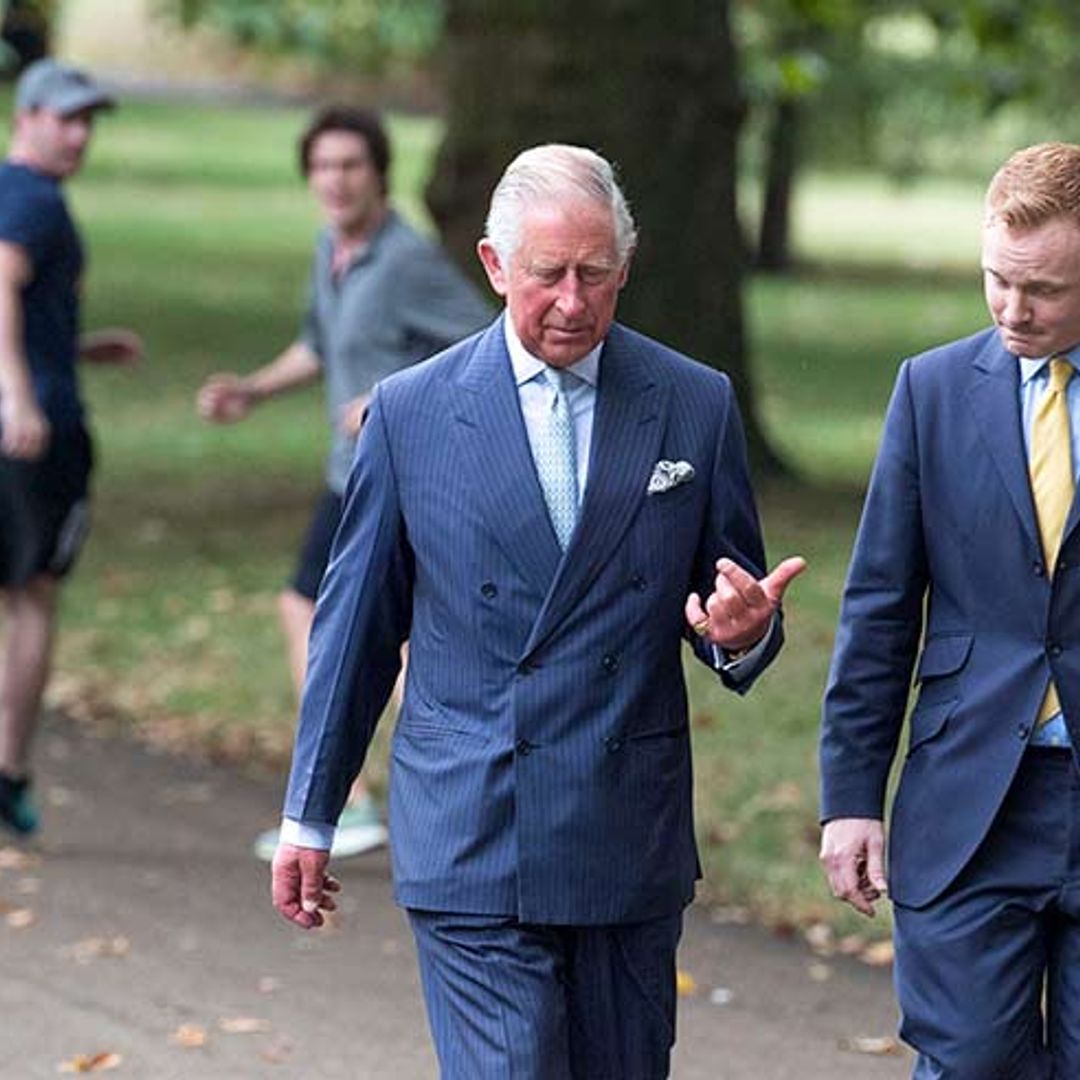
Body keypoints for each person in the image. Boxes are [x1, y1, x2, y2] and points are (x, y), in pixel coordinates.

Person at [270, 143, 806, 1078]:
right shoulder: (412, 413)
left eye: (595, 274)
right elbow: (354, 634)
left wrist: (742, 635)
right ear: (492, 266)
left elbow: (732, 599)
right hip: (474, 828)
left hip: (622, 831)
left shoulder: (693, 402)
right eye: (547, 274)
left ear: (624, 267)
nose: (572, 301)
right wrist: (311, 816)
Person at [820, 141, 1080, 1076]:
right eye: (995, 281)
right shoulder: (929, 393)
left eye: (1043, 289)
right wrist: (850, 798)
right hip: (970, 802)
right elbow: (880, 607)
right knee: (968, 1063)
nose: (1013, 309)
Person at [196, 105, 490, 862]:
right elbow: (317, 345)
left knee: (332, 620)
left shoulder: (405, 259)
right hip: (349, 477)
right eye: (322, 166)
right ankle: (439, 780)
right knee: (350, 626)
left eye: (350, 165)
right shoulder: (336, 249)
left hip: (401, 476)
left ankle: (394, 789)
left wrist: (394, 396)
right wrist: (252, 392)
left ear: (380, 173)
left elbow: (489, 343)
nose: (335, 180)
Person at [0, 60, 142, 838]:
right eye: (66, 118)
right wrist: (19, 397)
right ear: (27, 116)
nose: (80, 134)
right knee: (30, 599)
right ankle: (9, 771)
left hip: (32, 399)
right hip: (35, 433)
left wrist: (77, 347)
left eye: (89, 120)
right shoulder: (35, 199)